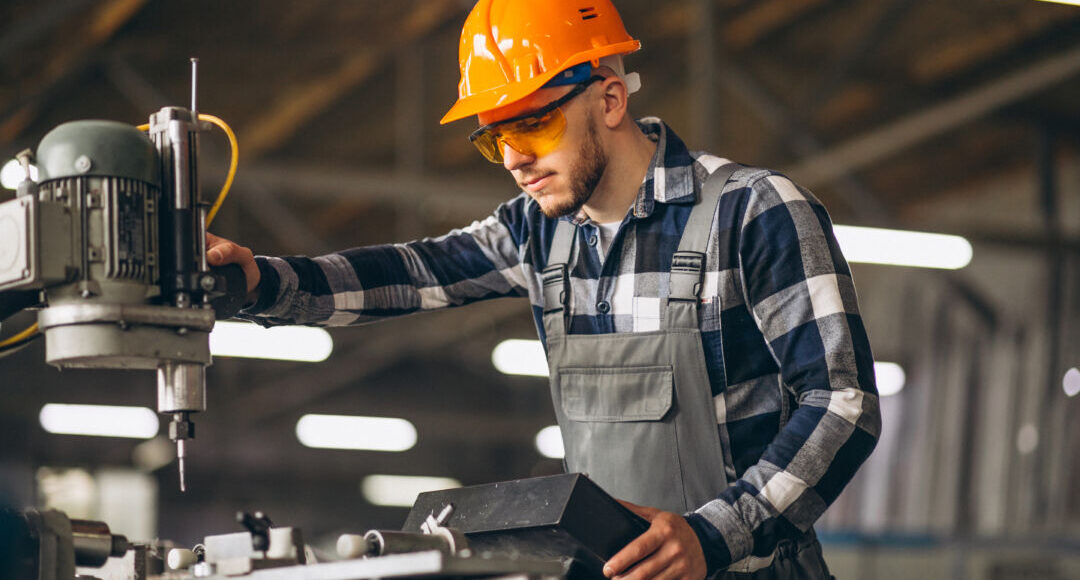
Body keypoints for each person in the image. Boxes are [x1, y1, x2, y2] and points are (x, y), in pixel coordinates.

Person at [207, 1, 880, 578]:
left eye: (532, 123)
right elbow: (411, 272)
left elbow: (843, 403)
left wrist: (712, 535)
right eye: (493, 136)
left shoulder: (753, 212)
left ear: (610, 98)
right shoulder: (536, 234)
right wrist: (264, 283)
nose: (512, 159)